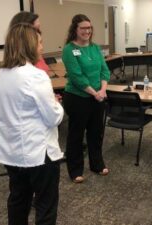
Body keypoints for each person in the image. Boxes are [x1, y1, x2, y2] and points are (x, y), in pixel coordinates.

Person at [0, 23, 64, 225]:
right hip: (39, 154)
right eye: (40, 42)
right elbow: (53, 118)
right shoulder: (36, 75)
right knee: (45, 208)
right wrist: (55, 103)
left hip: (11, 153)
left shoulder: (2, 74)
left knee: (18, 203)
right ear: (29, 44)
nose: (43, 47)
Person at [62, 14, 110, 183]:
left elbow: (105, 70)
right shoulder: (69, 49)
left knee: (96, 132)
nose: (87, 31)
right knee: (76, 134)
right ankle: (75, 170)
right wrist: (95, 93)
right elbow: (77, 76)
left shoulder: (95, 47)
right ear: (75, 29)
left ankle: (97, 164)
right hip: (78, 97)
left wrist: (103, 90)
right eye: (83, 28)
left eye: (89, 28)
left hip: (98, 97)